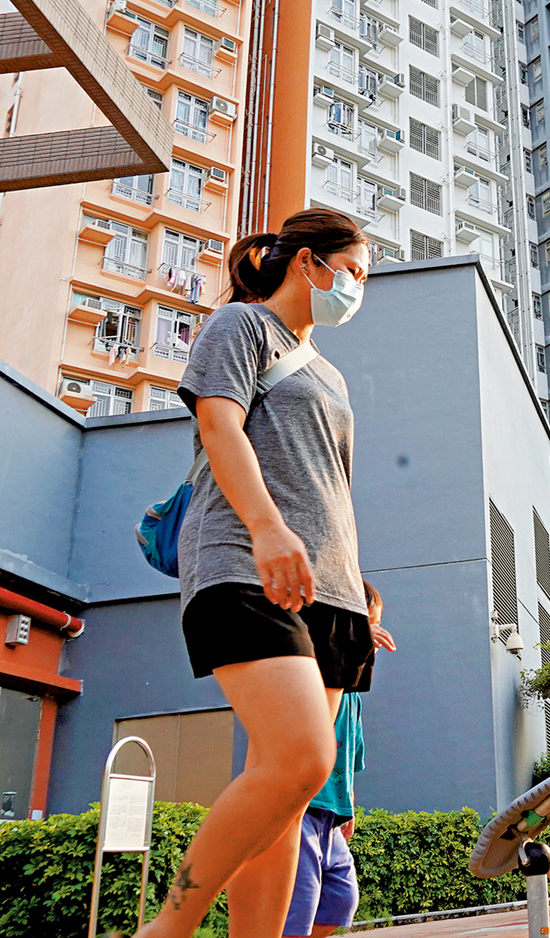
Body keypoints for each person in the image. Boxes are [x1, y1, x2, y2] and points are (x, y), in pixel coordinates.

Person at [135, 210, 373, 938]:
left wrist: (359, 591)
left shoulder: (329, 372)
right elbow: (219, 427)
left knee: (290, 792)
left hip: (329, 588)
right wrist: (268, 529)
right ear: (308, 262)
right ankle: (167, 928)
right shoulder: (241, 326)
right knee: (302, 759)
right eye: (352, 271)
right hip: (243, 561)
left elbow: (329, 484)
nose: (358, 288)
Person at [283, 581, 397, 938]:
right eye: (366, 626)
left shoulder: (352, 699)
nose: (373, 637)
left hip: (332, 817)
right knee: (300, 903)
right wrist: (357, 637)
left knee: (341, 900)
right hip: (305, 809)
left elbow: (350, 762)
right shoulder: (315, 679)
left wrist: (349, 808)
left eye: (375, 626)